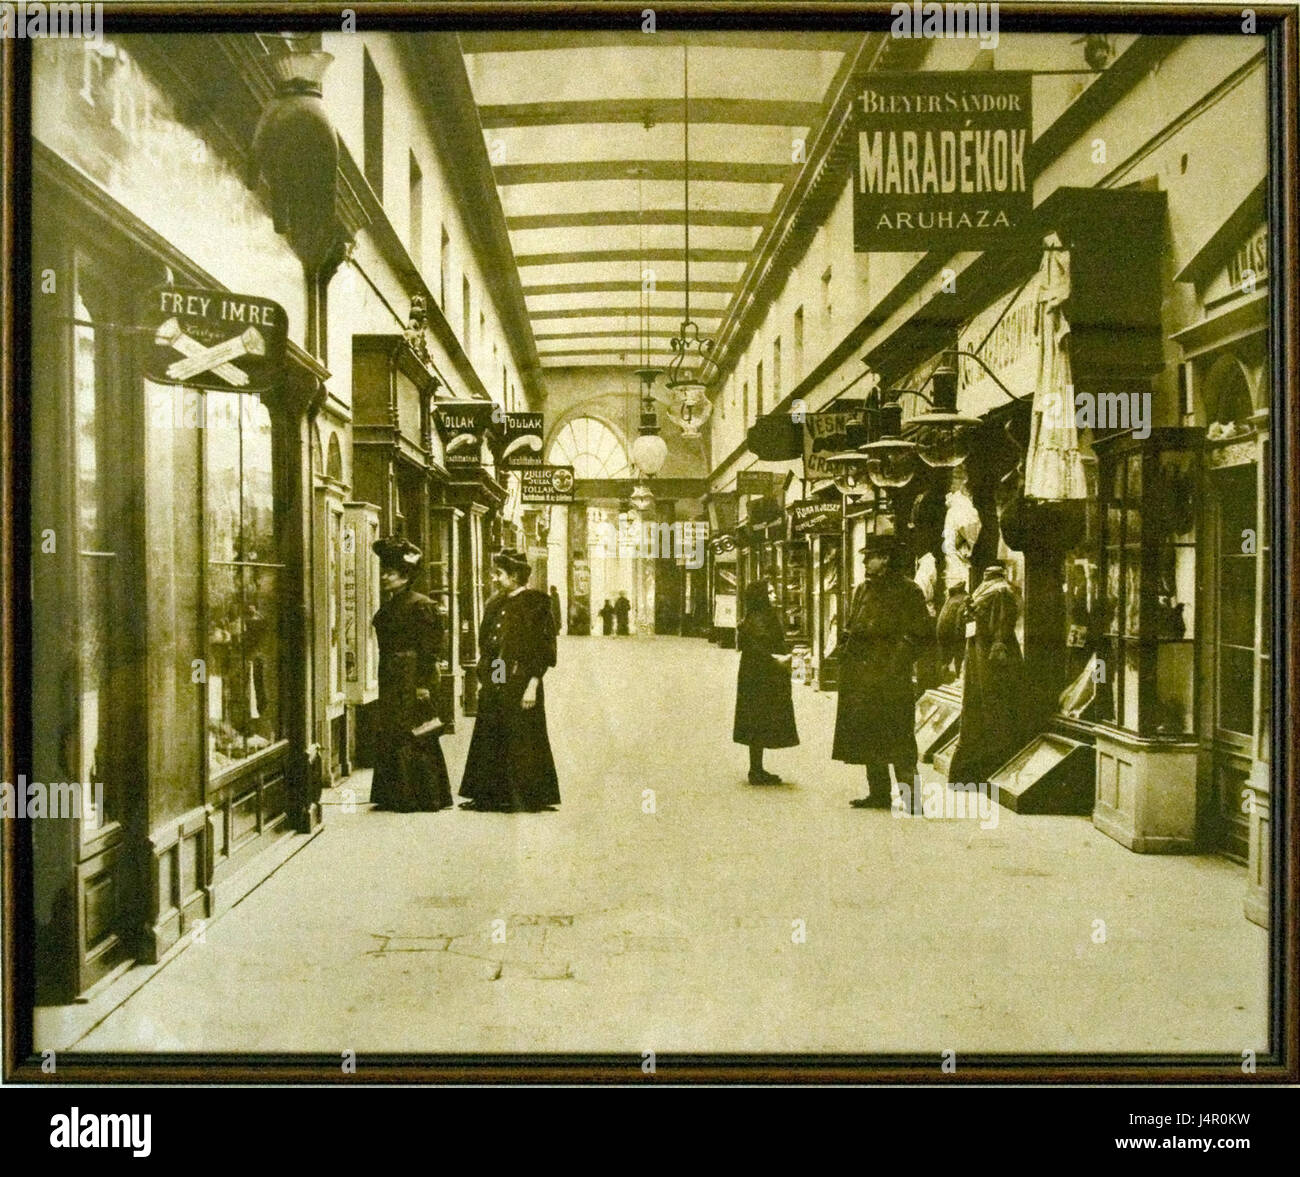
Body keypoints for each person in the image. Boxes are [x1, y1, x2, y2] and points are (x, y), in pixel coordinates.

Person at [832, 534, 933, 814]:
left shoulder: (908, 591)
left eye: (870, 556)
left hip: (891, 677)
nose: (865, 561)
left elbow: (919, 634)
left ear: (886, 559)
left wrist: (895, 666)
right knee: (868, 735)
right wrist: (845, 644)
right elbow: (852, 624)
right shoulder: (863, 589)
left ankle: (912, 798)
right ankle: (877, 793)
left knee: (899, 737)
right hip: (861, 676)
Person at [458, 548, 560, 812]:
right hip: (500, 673)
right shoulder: (496, 603)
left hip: (524, 678)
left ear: (515, 576)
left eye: (499, 574)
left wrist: (532, 685)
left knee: (522, 736)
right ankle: (491, 795)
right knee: (493, 731)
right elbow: (491, 645)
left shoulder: (536, 604)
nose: (495, 579)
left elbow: (544, 649)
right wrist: (492, 681)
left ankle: (526, 795)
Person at [369, 536, 453, 812]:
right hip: (392, 677)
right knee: (393, 730)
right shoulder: (393, 603)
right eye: (384, 571)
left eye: (390, 572)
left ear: (405, 576)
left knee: (416, 732)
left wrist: (424, 684)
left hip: (410, 677)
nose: (384, 577)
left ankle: (421, 796)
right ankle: (395, 794)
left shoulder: (421, 605)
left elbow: (430, 650)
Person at [948, 564, 1027, 785]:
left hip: (977, 655)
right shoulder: (1002, 591)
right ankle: (994, 770)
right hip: (995, 659)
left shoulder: (979, 592)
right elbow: (1003, 626)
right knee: (997, 706)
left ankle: (966, 774)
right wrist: (1000, 646)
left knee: (975, 708)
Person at [733, 578, 798, 784]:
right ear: (761, 596)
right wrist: (777, 659)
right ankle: (756, 770)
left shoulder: (756, 616)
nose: (774, 595)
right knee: (759, 720)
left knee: (756, 722)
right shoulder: (761, 618)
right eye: (769, 593)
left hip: (756, 676)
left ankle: (757, 768)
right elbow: (759, 647)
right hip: (761, 677)